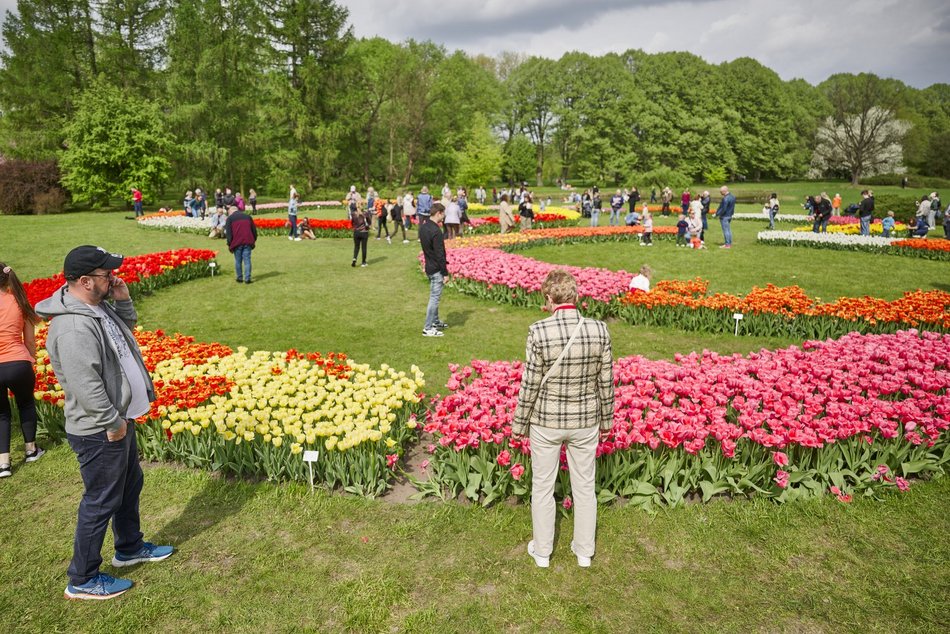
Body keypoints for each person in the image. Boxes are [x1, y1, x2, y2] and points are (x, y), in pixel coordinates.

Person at [35, 246, 174, 600]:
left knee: (128, 486)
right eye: (106, 274)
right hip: (100, 429)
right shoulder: (73, 326)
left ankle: (129, 547)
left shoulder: (97, 307)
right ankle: (82, 578)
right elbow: (85, 383)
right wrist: (112, 422)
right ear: (85, 281)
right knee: (101, 501)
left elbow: (124, 337)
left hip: (118, 419)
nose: (113, 278)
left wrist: (123, 300)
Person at [512, 270, 614, 569]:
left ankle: (543, 553)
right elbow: (606, 381)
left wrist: (519, 425)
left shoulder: (539, 331)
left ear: (548, 298)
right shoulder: (599, 330)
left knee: (543, 486)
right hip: (585, 420)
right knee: (584, 486)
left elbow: (530, 383)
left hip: (547, 421)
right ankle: (584, 552)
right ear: (577, 296)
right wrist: (607, 421)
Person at [0, 263, 43, 479]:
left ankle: (4, 463)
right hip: (18, 362)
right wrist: (30, 361)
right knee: (26, 404)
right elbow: (30, 340)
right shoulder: (19, 301)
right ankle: (31, 450)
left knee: (1, 414)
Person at [420, 203, 449, 337]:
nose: (444, 217)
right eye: (443, 214)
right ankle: (427, 328)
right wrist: (445, 273)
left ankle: (435, 321)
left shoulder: (424, 227)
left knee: (434, 295)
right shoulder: (436, 231)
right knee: (434, 298)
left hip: (429, 266)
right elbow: (440, 254)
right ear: (438, 213)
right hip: (436, 268)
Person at [225, 204, 258, 283]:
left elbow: (229, 234)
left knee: (238, 261)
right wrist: (253, 240)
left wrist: (229, 244)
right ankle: (247, 278)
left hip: (236, 243)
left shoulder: (230, 218)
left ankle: (239, 277)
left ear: (230, 211)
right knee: (247, 260)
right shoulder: (248, 217)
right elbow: (254, 231)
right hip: (248, 241)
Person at [349, 197, 372, 267]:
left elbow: (352, 223)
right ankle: (363, 262)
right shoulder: (365, 213)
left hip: (356, 232)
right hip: (364, 232)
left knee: (356, 247)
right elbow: (369, 222)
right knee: (364, 247)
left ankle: (354, 259)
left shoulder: (353, 214)